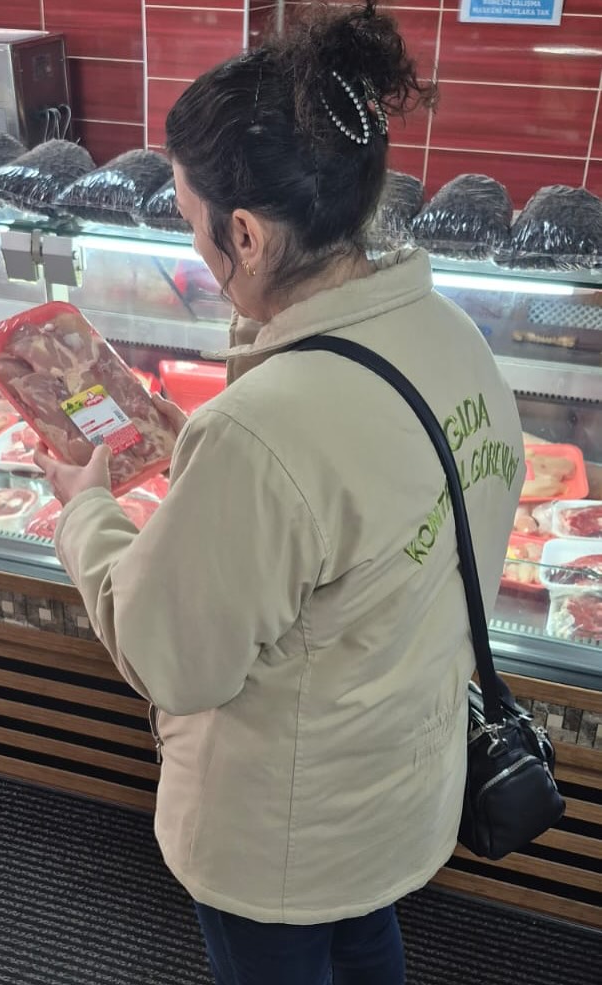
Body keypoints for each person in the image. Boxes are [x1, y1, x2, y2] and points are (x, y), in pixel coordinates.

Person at [34, 3, 525, 982]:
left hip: (283, 832)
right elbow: (351, 504)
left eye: (190, 223)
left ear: (246, 235)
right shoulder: (449, 336)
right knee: (366, 939)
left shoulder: (262, 434)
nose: (196, 249)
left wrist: (85, 507)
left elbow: (173, 659)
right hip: (396, 786)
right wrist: (202, 448)